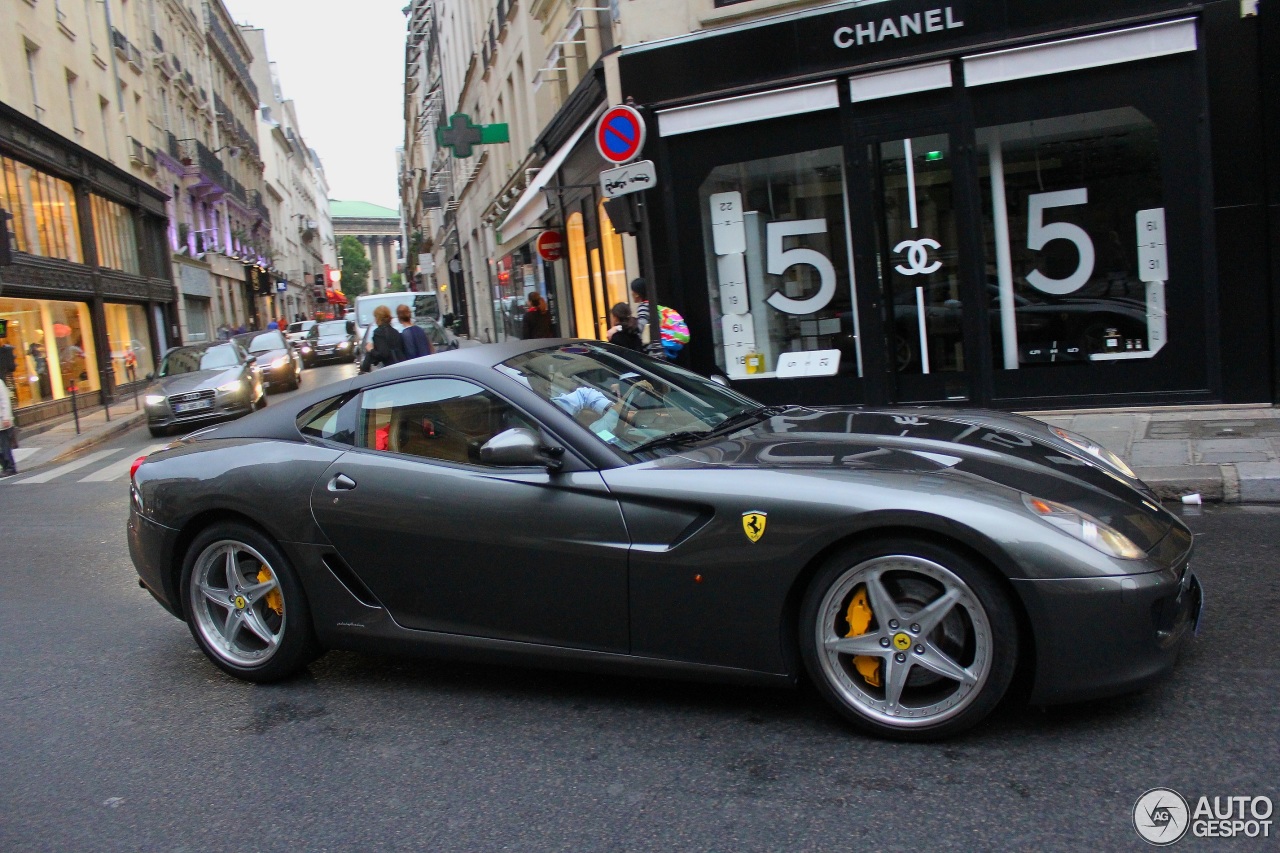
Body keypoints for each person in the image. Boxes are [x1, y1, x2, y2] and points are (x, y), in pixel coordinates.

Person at [364, 304, 406, 371]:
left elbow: (383, 354)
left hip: (388, 369)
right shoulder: (395, 332)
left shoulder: (378, 333)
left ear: (377, 318)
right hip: (401, 367)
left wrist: (370, 350)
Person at [0, 384, 17, 477]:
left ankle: (10, 467)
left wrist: (6, 418)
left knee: (4, 446)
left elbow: (5, 401)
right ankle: (5, 467)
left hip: (2, 422)